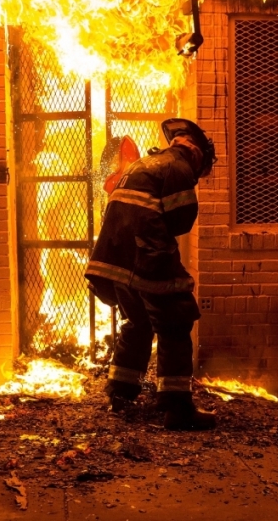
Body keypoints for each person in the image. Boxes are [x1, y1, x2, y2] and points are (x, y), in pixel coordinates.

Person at [85, 118, 217, 430]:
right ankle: (177, 407)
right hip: (147, 255)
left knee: (138, 321)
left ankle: (120, 392)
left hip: (117, 257)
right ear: (196, 154)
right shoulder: (178, 168)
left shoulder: (145, 163)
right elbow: (180, 221)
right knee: (175, 321)